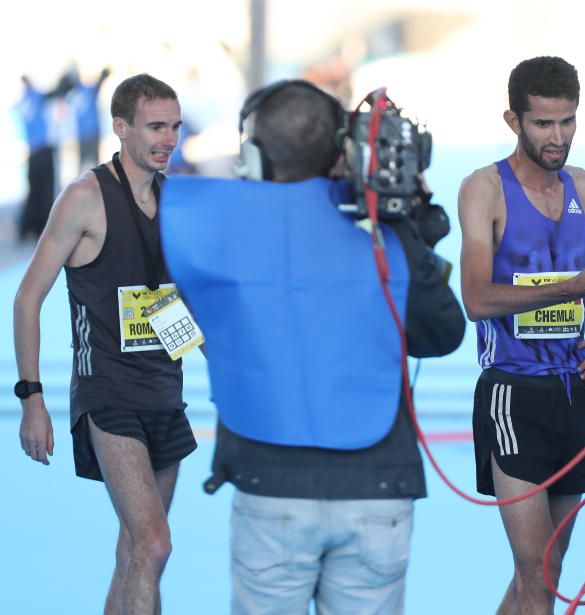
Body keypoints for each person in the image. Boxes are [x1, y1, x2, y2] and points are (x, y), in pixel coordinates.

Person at [164, 80, 465, 614]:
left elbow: (178, 312)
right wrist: (413, 222)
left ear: (252, 156)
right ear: (342, 151)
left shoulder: (210, 227)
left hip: (268, 484)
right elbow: (442, 334)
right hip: (378, 487)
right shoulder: (386, 231)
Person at [457, 56, 585, 615]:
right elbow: (475, 300)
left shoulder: (584, 189)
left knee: (548, 570)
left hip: (573, 395)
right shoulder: (484, 189)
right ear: (513, 121)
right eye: (543, 123)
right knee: (535, 573)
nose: (557, 136)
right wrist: (575, 287)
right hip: (512, 394)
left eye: (567, 122)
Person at [13, 73, 193, 615]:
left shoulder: (176, 199)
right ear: (120, 127)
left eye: (176, 126)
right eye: (156, 126)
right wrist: (32, 400)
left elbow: (177, 303)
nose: (169, 138)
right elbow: (26, 298)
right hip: (107, 395)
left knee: (135, 550)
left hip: (166, 388)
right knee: (154, 543)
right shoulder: (83, 200)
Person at [16, 73, 72, 241]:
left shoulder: (23, 102)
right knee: (46, 191)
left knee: (33, 192)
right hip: (44, 151)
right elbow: (54, 93)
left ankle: (26, 228)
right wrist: (66, 84)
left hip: (32, 153)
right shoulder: (36, 96)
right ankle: (43, 227)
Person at [70, 66, 112, 173]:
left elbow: (98, 84)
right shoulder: (73, 93)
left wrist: (103, 75)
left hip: (92, 132)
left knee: (94, 162)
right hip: (82, 134)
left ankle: (99, 185)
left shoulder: (88, 90)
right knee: (82, 163)